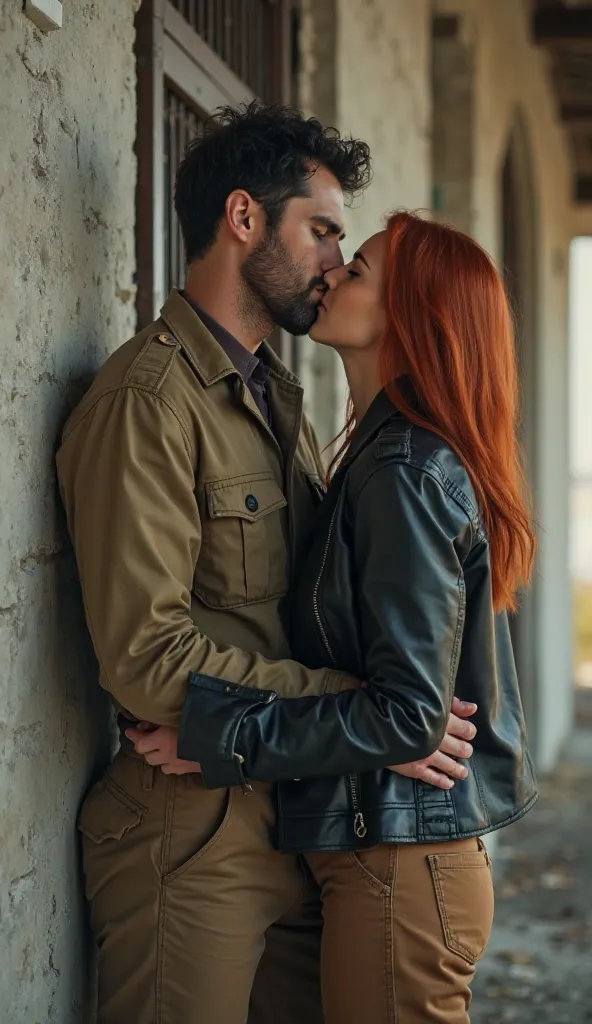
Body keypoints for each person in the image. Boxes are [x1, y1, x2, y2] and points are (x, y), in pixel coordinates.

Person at [57, 105, 477, 1024]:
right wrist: (364, 712)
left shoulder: (277, 396)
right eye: (323, 231)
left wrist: (354, 727)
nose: (337, 262)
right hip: (192, 835)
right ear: (244, 219)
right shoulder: (148, 404)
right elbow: (145, 658)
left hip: (296, 811)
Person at [162, 211, 539, 1024]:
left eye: (359, 269)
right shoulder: (378, 455)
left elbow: (408, 714)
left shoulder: (402, 471)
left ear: (414, 316)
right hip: (383, 854)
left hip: (405, 866)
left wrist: (215, 738)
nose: (331, 274)